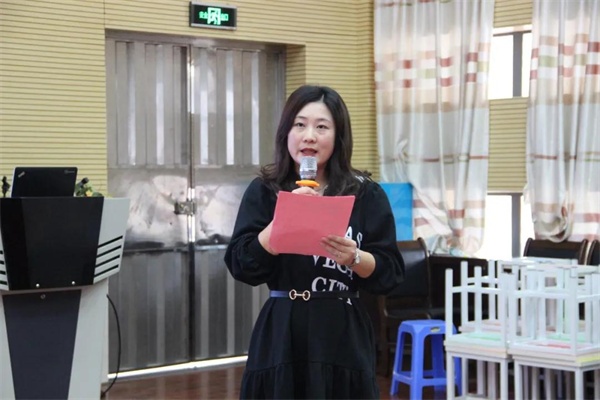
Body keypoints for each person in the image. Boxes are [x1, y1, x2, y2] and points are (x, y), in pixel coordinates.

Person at [224, 85, 404, 399]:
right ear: (286, 133)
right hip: (282, 331)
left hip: (342, 332)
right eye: (300, 125)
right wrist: (279, 227)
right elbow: (241, 265)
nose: (309, 136)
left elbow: (390, 272)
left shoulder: (365, 194)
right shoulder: (265, 191)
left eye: (321, 127)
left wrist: (354, 258)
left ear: (338, 136)